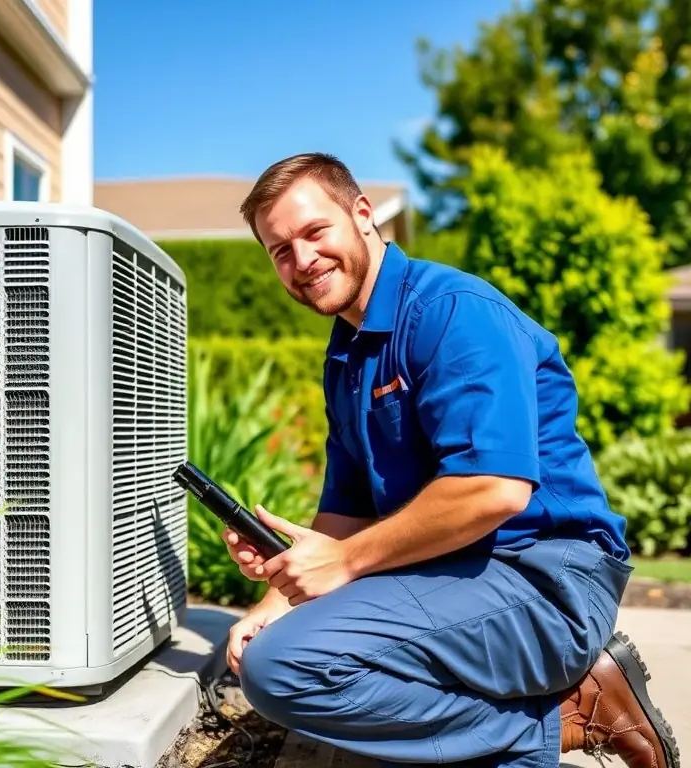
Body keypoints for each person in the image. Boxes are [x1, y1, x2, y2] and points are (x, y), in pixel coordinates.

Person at [222, 152, 680, 768]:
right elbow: (347, 509)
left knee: (286, 667)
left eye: (313, 232)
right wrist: (275, 599)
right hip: (453, 578)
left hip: (545, 580)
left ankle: (565, 715)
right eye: (279, 250)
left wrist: (346, 562)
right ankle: (541, 724)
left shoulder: (451, 312)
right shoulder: (348, 358)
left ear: (361, 215)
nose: (301, 260)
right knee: (274, 646)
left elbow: (495, 488)